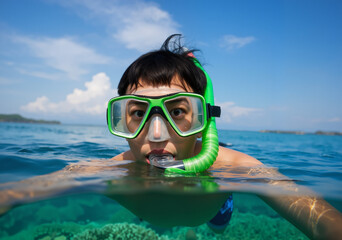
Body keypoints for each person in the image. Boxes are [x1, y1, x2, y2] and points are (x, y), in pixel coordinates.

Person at [1, 34, 342, 240]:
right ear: (121, 119)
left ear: (204, 119)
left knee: (219, 229)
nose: (156, 134)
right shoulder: (107, 171)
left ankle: (222, 209)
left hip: (214, 206)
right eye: (137, 113)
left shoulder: (237, 168)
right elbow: (15, 192)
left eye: (177, 112)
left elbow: (325, 223)